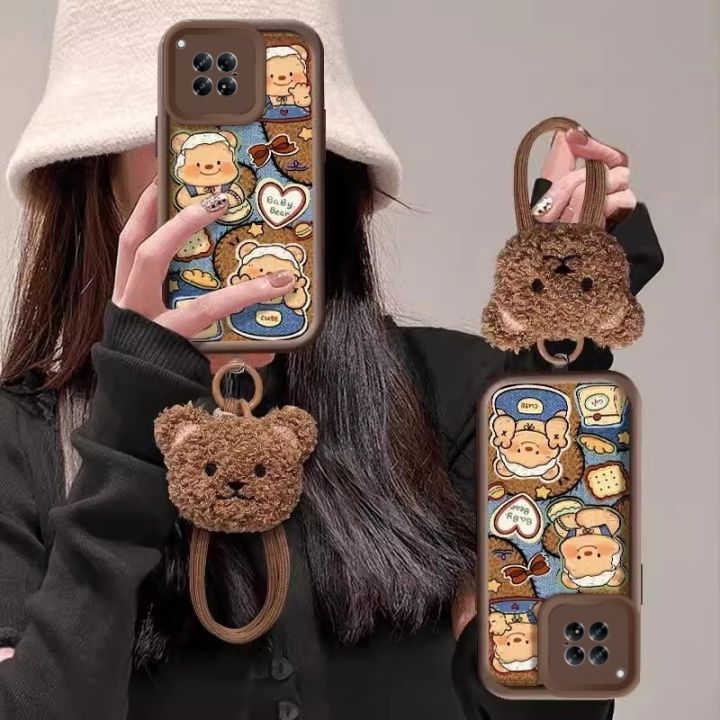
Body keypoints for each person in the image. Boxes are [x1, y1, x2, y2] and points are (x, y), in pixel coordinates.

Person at [0, 1, 661, 718]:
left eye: (273, 135)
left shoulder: (454, 396)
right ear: (95, 173)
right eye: (189, 139)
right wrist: (129, 433)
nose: (235, 177)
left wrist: (564, 348)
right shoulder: (20, 443)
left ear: (322, 163)